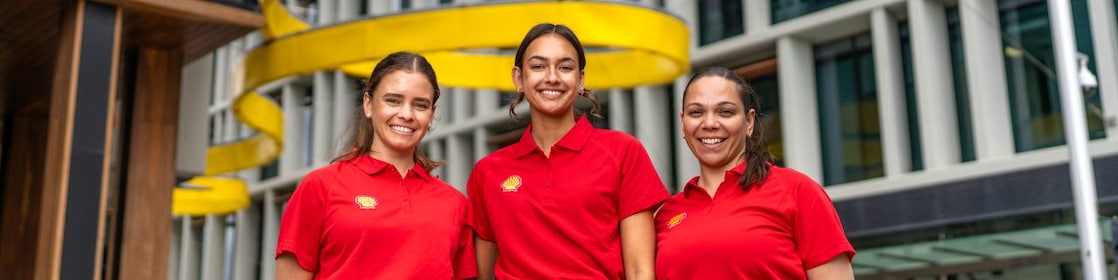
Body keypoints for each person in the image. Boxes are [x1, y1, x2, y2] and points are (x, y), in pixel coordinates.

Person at [467, 23, 669, 280]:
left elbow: (640, 272)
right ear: (518, 79)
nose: (552, 77)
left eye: (565, 67)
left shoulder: (623, 151)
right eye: (538, 66)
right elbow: (481, 275)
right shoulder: (488, 172)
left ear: (580, 80)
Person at [275, 51, 476, 280]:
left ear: (431, 115)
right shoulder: (321, 186)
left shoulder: (455, 204)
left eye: (420, 105)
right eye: (393, 100)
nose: (406, 114)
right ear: (368, 104)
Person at [654, 67, 855, 279]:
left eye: (725, 112)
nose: (710, 123)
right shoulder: (665, 215)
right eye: (696, 112)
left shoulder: (798, 191)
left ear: (749, 122)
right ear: (683, 123)